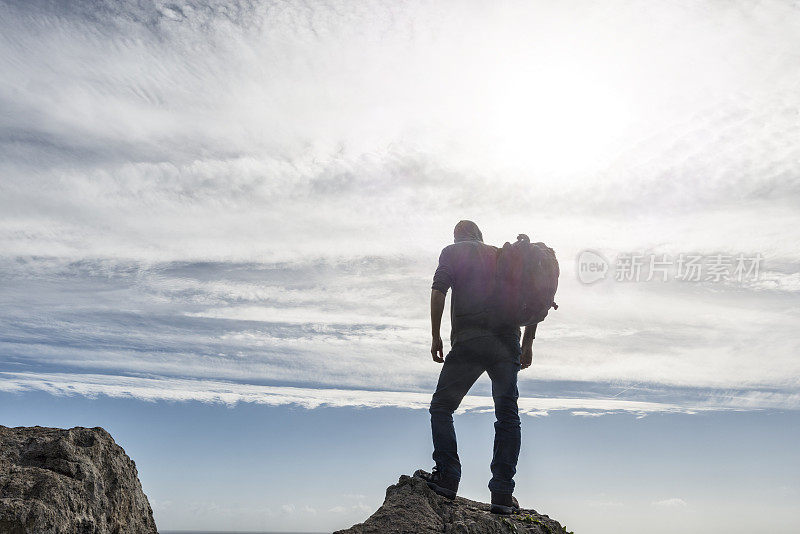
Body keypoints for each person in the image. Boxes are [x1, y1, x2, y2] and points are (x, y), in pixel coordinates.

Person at [414, 220, 537, 515]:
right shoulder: (501, 256)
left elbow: (438, 291)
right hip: (507, 343)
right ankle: (503, 495)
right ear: (480, 236)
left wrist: (435, 335)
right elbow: (534, 299)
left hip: (469, 341)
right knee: (507, 415)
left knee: (442, 408)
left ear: (457, 237)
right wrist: (528, 343)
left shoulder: (452, 252)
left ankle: (447, 477)